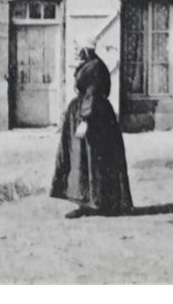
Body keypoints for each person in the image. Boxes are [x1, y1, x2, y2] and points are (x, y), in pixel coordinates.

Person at [50, 47, 133, 217]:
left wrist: (85, 120)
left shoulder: (95, 67)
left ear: (85, 50)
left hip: (96, 117)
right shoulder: (88, 64)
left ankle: (100, 203)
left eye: (76, 47)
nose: (74, 51)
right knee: (81, 158)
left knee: (93, 157)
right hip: (86, 113)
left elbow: (93, 93)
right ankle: (86, 202)